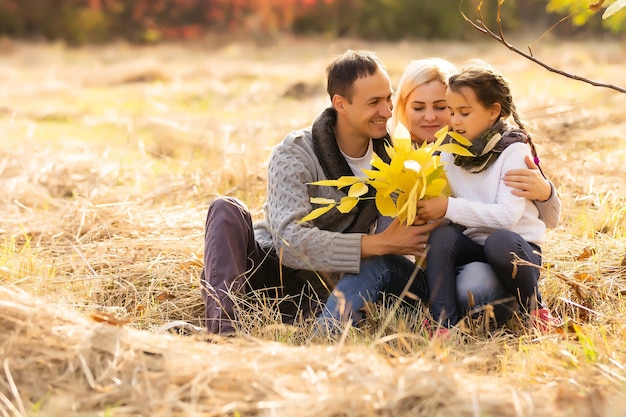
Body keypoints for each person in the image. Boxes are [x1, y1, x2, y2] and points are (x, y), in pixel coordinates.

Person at [200, 50, 439, 335]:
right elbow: (289, 241)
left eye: (388, 98)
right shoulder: (294, 153)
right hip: (266, 269)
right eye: (374, 102)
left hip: (324, 290)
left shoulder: (394, 159)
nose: (387, 111)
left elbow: (397, 246)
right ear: (341, 103)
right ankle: (222, 332)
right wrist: (377, 244)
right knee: (225, 209)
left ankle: (307, 325)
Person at [391, 58, 561, 325]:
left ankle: (536, 309)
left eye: (463, 112)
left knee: (499, 241)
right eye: (452, 111)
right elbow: (450, 215)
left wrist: (446, 207)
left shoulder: (512, 151)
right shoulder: (449, 151)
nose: (454, 120)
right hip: (472, 248)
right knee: (444, 235)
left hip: (514, 251)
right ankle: (442, 322)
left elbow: (507, 218)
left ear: (492, 112)